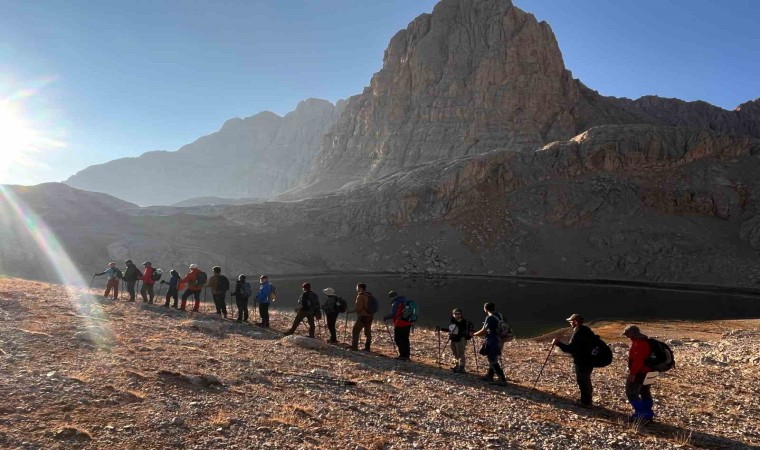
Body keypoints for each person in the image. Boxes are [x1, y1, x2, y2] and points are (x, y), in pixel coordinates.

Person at [552, 313, 596, 408]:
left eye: (571, 321)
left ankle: (586, 402)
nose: (570, 323)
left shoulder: (578, 333)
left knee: (582, 380)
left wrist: (558, 343)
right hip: (590, 359)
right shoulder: (586, 330)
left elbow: (571, 349)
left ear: (575, 322)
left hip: (582, 360)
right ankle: (587, 400)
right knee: (586, 379)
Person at [623, 325, 655, 422]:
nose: (627, 337)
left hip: (640, 372)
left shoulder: (638, 343)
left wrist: (633, 374)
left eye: (627, 334)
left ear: (632, 333)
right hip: (652, 371)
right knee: (645, 392)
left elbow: (638, 361)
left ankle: (640, 415)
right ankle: (648, 414)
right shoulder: (647, 341)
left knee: (631, 392)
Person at [473, 302, 508, 386]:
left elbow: (484, 330)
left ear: (485, 309)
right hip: (501, 339)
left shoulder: (489, 318)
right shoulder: (500, 315)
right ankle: (489, 375)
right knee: (493, 358)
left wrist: (474, 334)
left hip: (492, 340)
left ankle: (502, 380)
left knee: (492, 359)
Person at [438, 308, 472, 373]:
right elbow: (451, 330)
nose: (457, 315)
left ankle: (462, 367)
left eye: (458, 314)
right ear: (453, 314)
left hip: (461, 339)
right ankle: (456, 365)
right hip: (453, 338)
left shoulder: (464, 321)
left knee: (460, 353)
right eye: (455, 314)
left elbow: (461, 330)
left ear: (461, 314)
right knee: (454, 353)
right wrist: (442, 329)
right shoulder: (452, 320)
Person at [383, 291, 413, 360]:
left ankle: (402, 355)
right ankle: (406, 355)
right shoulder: (405, 300)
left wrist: (386, 317)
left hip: (399, 324)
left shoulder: (396, 302)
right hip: (408, 323)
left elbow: (393, 314)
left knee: (398, 339)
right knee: (405, 339)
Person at [350, 283, 374, 351]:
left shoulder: (360, 296)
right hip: (370, 315)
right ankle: (367, 347)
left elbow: (359, 308)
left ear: (360, 288)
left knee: (355, 330)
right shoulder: (369, 295)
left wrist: (350, 311)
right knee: (368, 332)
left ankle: (354, 347)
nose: (356, 289)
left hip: (363, 316)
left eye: (357, 287)